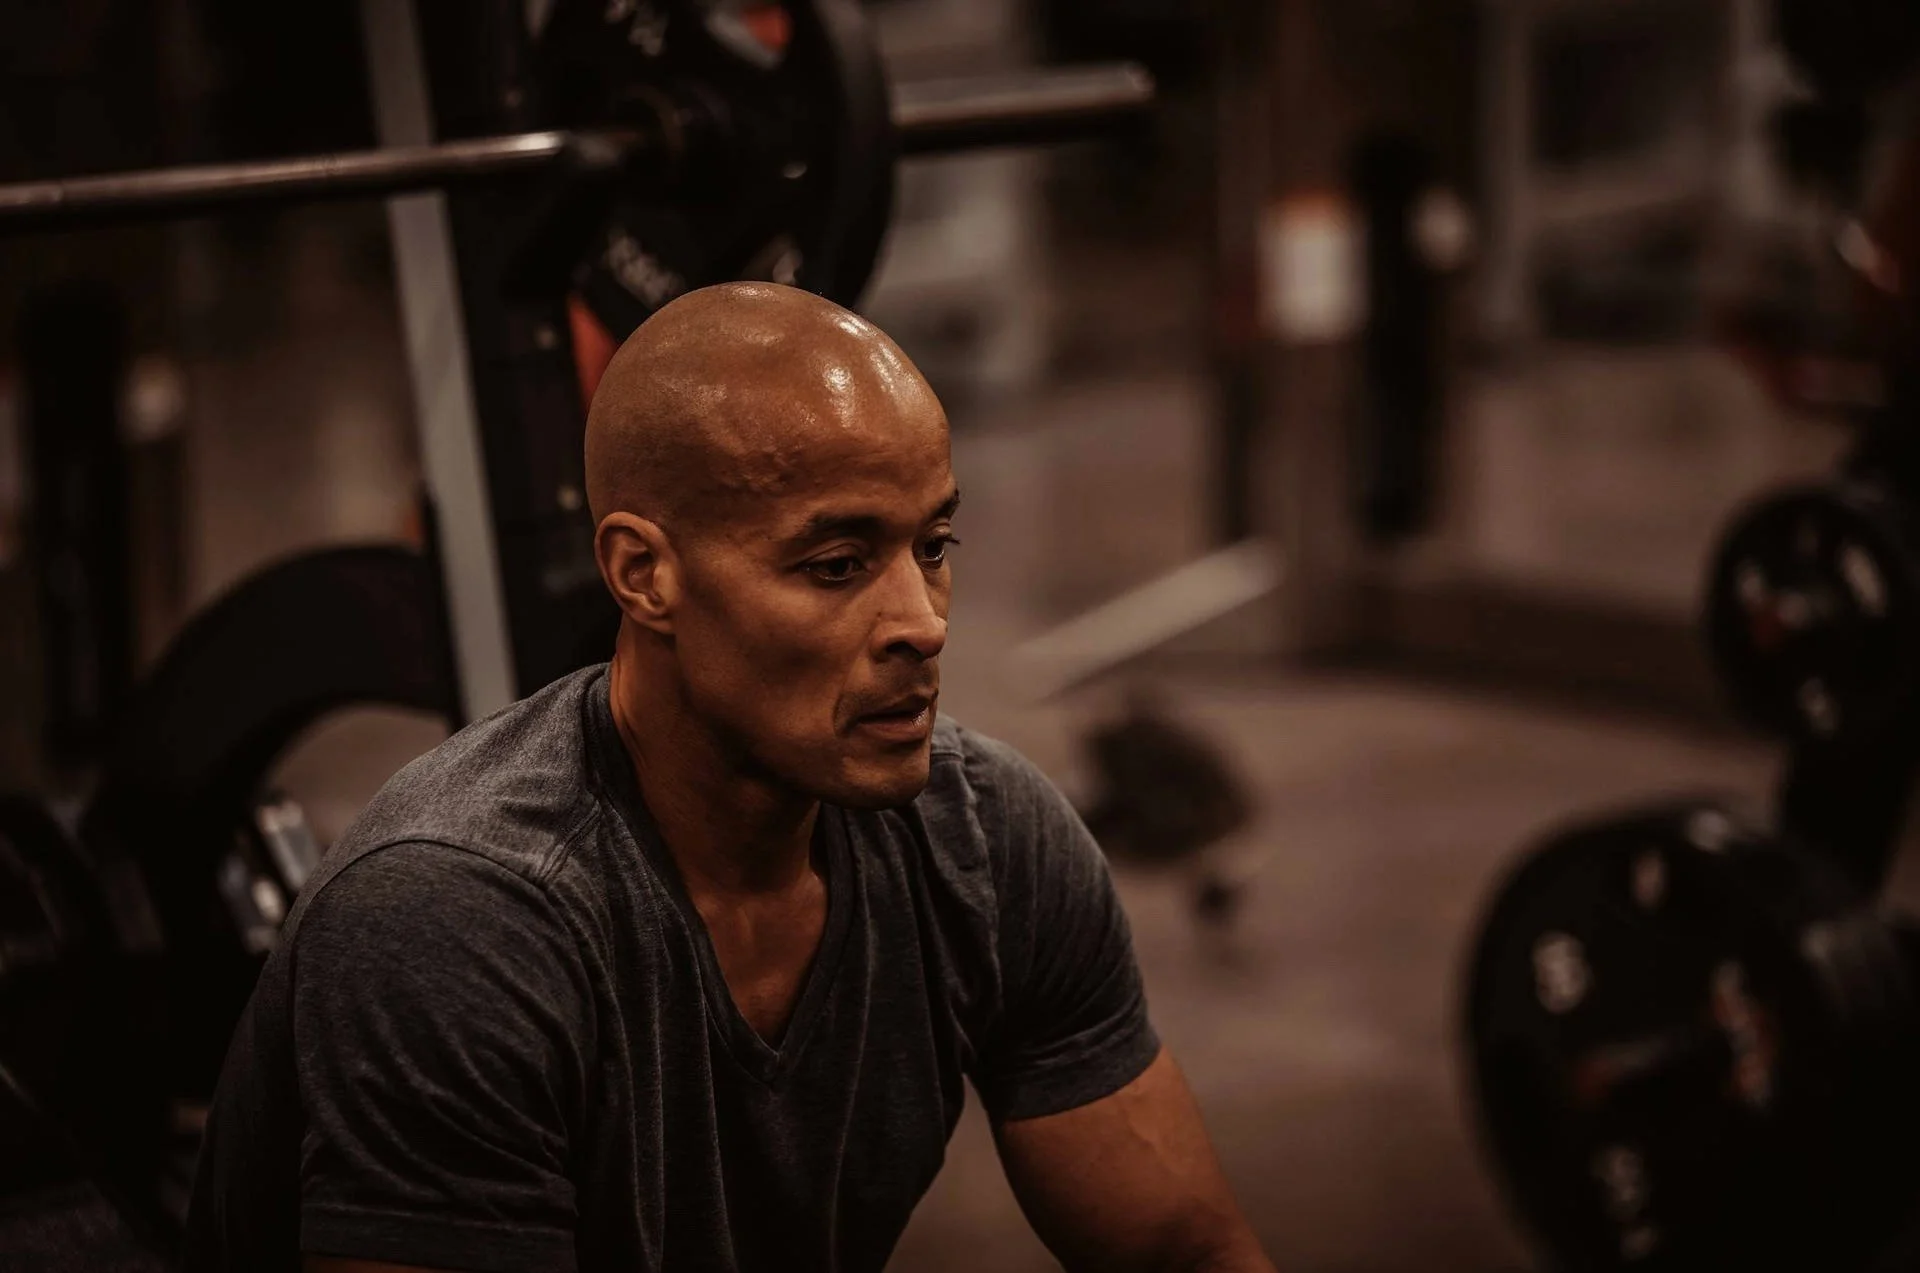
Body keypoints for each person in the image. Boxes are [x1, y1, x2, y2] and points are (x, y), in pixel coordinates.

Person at [183, 283, 1274, 1273]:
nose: (920, 623)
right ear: (644, 574)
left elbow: (1184, 1248)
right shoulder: (456, 920)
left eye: (932, 547)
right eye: (837, 566)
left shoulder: (987, 844)